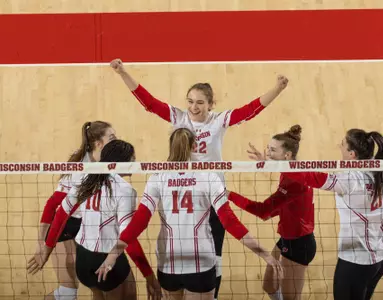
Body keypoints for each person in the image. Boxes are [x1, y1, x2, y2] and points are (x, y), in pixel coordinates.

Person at [110, 58, 288, 300]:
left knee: (214, 254)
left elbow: (250, 110)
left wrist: (277, 89)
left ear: (210, 104)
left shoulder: (218, 120)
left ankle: (209, 292)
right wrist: (123, 73)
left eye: (200, 103)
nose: (194, 107)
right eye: (191, 102)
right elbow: (149, 102)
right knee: (182, 240)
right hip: (180, 188)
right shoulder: (178, 117)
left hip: (211, 193)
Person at [246, 110, 383, 300]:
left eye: (342, 144)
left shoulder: (349, 181)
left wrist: (272, 163)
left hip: (356, 261)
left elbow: (310, 177)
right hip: (382, 257)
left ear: (352, 154)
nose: (338, 145)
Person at [96, 128, 283, 300]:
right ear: (195, 147)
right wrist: (264, 253)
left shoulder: (157, 178)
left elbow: (139, 222)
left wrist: (113, 255)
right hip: (201, 265)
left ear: (171, 146)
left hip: (168, 266)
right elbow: (229, 222)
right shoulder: (210, 177)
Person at [28, 139, 160, 300]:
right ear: (121, 162)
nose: (135, 162)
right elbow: (128, 237)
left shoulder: (85, 180)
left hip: (83, 261)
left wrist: (47, 249)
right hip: (106, 259)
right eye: (132, 159)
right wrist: (148, 275)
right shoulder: (125, 190)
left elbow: (60, 214)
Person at [228, 125, 316, 300]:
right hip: (287, 237)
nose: (268, 152)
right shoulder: (293, 169)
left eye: (272, 150)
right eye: (268, 148)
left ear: (287, 155)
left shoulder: (293, 181)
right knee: (269, 284)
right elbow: (286, 204)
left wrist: (229, 195)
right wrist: (265, 163)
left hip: (299, 245)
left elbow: (263, 211)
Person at [35, 121, 116, 299]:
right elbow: (52, 204)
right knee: (67, 293)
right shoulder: (80, 168)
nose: (116, 141)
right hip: (67, 226)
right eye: (112, 138)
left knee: (98, 287)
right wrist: (41, 241)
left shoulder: (109, 165)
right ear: (98, 143)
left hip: (90, 227)